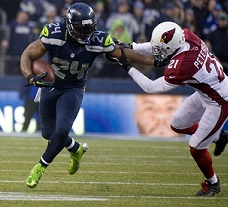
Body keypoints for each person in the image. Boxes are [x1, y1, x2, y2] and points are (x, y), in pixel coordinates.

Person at [20, 2, 158, 188]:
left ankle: (40, 167)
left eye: (89, 28)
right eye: (81, 28)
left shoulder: (99, 40)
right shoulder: (54, 34)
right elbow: (27, 55)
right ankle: (75, 148)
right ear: (69, 25)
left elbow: (124, 53)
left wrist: (155, 62)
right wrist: (30, 77)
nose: (86, 33)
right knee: (48, 133)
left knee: (61, 130)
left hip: (73, 88)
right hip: (51, 85)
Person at [115, 21, 228, 196]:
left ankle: (213, 184)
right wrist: (131, 46)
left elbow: (151, 87)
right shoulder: (186, 35)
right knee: (177, 123)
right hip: (207, 92)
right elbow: (158, 46)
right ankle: (219, 137)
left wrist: (127, 66)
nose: (158, 52)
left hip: (221, 101)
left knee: (196, 147)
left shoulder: (183, 64)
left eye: (162, 49)